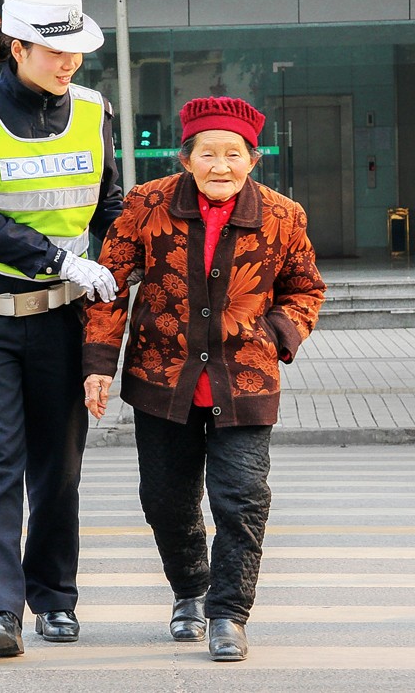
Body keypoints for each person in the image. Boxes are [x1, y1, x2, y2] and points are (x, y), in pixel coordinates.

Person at [83, 96, 326, 662]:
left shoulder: (284, 215)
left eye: (233, 154)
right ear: (186, 156)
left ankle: (228, 613)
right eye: (208, 153)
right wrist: (98, 366)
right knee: (165, 501)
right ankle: (189, 593)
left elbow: (306, 287)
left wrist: (277, 335)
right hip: (161, 379)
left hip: (244, 382)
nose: (221, 165)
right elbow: (110, 285)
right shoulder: (147, 204)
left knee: (242, 499)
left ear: (253, 158)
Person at [0, 0, 122, 657]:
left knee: (59, 468)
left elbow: (109, 203)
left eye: (76, 49)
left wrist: (138, 250)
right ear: (17, 47)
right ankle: (0, 610)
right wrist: (60, 260)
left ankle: (55, 600)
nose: (69, 62)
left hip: (63, 322)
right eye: (54, 50)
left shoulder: (94, 109)